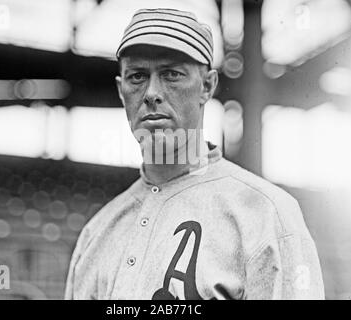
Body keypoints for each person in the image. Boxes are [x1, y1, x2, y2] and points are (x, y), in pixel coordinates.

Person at [65, 8, 325, 300]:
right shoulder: (95, 234)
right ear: (120, 89)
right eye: (137, 76)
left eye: (171, 74)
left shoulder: (268, 214)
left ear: (207, 86)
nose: (151, 93)